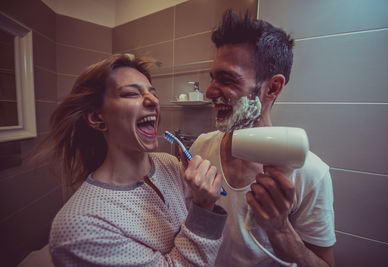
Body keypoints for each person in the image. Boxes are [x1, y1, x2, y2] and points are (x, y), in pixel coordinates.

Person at [34, 53, 227, 266]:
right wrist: (204, 207)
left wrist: (202, 201)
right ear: (98, 118)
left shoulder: (170, 164)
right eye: (131, 94)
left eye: (153, 93)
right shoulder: (79, 226)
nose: (153, 100)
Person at [189, 10, 336, 266]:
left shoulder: (310, 173)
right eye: (212, 78)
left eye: (227, 79)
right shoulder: (201, 147)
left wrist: (280, 231)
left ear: (272, 88)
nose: (210, 92)